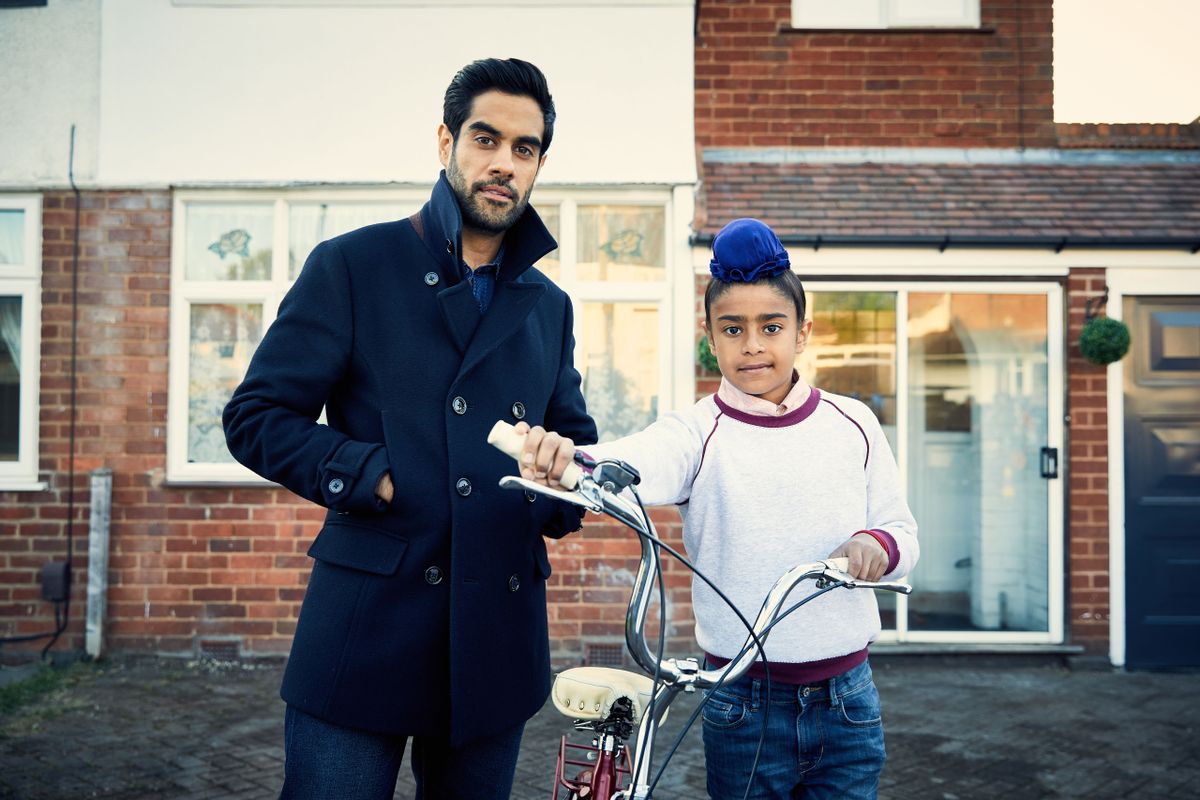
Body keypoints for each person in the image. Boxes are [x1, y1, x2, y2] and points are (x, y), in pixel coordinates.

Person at [222, 58, 597, 800]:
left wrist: (565, 476)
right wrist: (371, 474)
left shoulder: (548, 307)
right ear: (445, 141)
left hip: (496, 636)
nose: (503, 164)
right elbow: (254, 417)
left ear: (539, 165)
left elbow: (577, 464)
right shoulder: (353, 266)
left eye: (524, 150)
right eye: (485, 139)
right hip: (366, 629)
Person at [518, 218, 919, 800]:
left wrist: (876, 547)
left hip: (848, 698)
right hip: (741, 701)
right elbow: (634, 459)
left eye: (771, 326)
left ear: (802, 333)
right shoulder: (698, 431)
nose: (752, 344)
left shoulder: (853, 422)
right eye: (733, 329)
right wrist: (568, 459)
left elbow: (901, 532)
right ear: (711, 336)